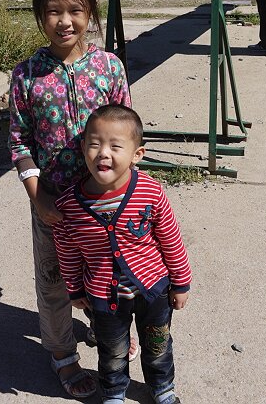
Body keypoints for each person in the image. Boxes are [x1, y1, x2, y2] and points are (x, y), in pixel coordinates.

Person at [8, 0, 133, 399]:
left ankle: (108, 328)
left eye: (76, 10)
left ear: (91, 12)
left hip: (105, 205)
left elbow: (125, 130)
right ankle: (62, 356)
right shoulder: (26, 76)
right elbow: (20, 143)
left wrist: (129, 190)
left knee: (108, 271)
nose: (65, 22)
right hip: (54, 204)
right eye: (53, 11)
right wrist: (39, 196)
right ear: (40, 14)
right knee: (55, 282)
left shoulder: (110, 68)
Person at [53, 104, 192, 404]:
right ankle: (115, 391)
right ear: (82, 148)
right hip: (104, 297)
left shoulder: (150, 192)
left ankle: (162, 387)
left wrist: (181, 283)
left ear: (136, 154)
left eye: (116, 146)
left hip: (153, 290)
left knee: (158, 344)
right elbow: (67, 251)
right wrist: (75, 288)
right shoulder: (69, 206)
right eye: (94, 144)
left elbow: (171, 239)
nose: (104, 153)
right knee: (112, 349)